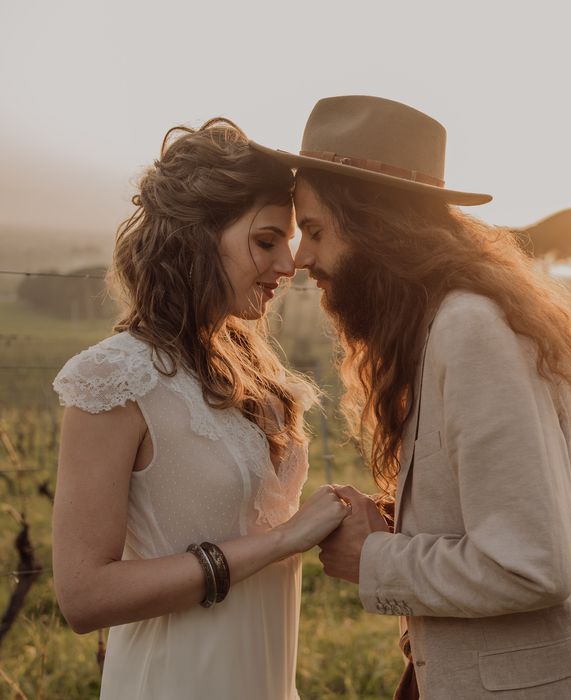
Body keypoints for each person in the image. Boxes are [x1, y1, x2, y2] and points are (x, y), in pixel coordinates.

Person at [251, 96, 571, 699]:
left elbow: (532, 565)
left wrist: (374, 557)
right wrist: (406, 524)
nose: (301, 258)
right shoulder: (445, 322)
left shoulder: (470, 330)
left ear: (378, 226)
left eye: (315, 231)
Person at [51, 118, 350, 700]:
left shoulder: (253, 369)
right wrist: (283, 540)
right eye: (266, 241)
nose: (288, 268)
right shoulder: (113, 379)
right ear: (195, 235)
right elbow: (84, 596)